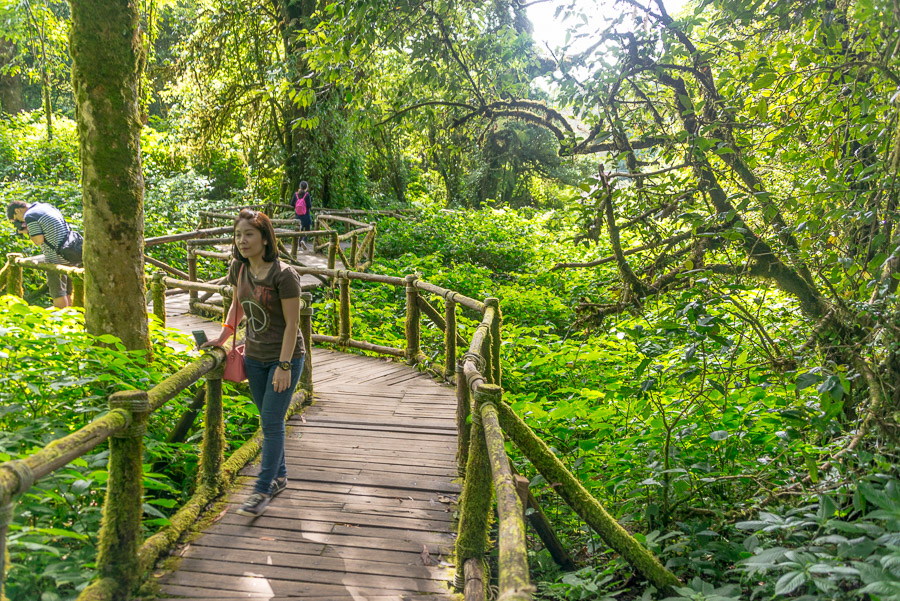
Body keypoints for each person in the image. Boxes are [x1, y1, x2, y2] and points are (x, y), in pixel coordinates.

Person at [202, 208, 305, 517]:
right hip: (254, 356)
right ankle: (280, 476)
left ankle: (261, 490)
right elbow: (237, 306)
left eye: (249, 234)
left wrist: (284, 366)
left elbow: (292, 325)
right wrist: (222, 338)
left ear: (264, 237)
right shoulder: (239, 268)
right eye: (238, 235)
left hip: (284, 358)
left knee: (271, 423)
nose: (242, 241)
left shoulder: (284, 275)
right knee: (268, 421)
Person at [6, 200, 83, 308]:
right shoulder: (46, 206)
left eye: (16, 220)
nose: (19, 223)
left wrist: (27, 232)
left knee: (58, 293)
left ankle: (61, 321)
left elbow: (38, 240)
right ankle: (71, 320)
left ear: (17, 210)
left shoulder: (30, 215)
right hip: (69, 252)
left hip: (55, 257)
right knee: (67, 292)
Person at [291, 181, 313, 250]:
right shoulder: (307, 195)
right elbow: (309, 205)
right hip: (306, 215)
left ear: (300, 187)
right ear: (306, 187)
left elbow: (291, 203)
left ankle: (299, 246)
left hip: (298, 215)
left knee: (299, 230)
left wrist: (297, 206)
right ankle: (303, 240)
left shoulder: (296, 194)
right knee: (308, 229)